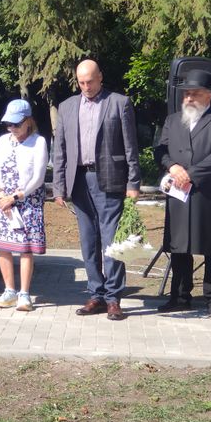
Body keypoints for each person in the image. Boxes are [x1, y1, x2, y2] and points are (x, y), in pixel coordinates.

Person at [52, 59, 141, 321]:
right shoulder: (67, 107)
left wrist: (133, 183)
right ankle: (95, 293)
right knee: (88, 242)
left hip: (110, 180)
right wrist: (59, 187)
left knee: (111, 241)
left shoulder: (119, 102)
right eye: (81, 82)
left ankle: (113, 298)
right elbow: (60, 151)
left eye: (90, 81)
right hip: (79, 181)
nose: (86, 86)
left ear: (100, 77)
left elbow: (130, 147)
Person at [154, 69, 211, 318]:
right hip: (178, 193)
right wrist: (173, 167)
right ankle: (180, 296)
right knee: (179, 246)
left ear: (208, 96)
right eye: (186, 94)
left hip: (206, 193)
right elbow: (160, 150)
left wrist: (191, 174)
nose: (189, 98)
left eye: (194, 94)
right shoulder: (172, 120)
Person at [0, 99, 48, 312]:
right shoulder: (4, 141)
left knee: (25, 249)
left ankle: (24, 293)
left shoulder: (38, 142)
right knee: (3, 246)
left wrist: (16, 197)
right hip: (5, 201)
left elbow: (38, 177)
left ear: (28, 121)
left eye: (16, 124)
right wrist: (2, 195)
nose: (12, 129)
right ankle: (9, 291)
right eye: (9, 125)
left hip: (27, 201)